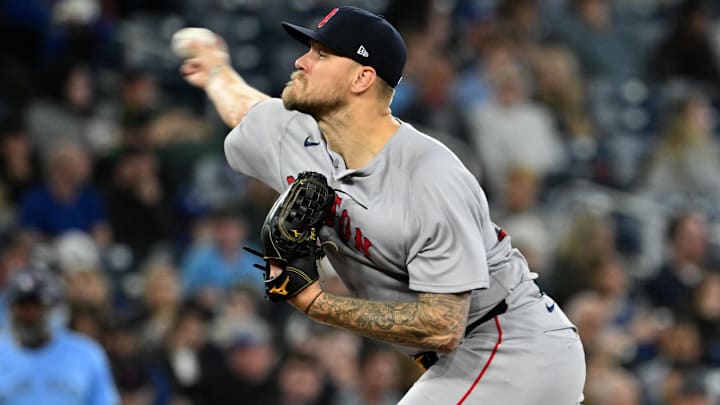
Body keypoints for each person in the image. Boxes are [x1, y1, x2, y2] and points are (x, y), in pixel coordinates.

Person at [179, 6, 586, 403]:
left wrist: (317, 304)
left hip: (513, 344)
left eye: (321, 54)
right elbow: (244, 108)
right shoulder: (298, 134)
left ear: (362, 78)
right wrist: (215, 70)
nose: (302, 61)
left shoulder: (429, 175)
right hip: (462, 356)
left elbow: (443, 325)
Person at [0, 267, 119, 405]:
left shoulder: (86, 354)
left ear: (52, 309)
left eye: (36, 308)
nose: (29, 316)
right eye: (23, 308)